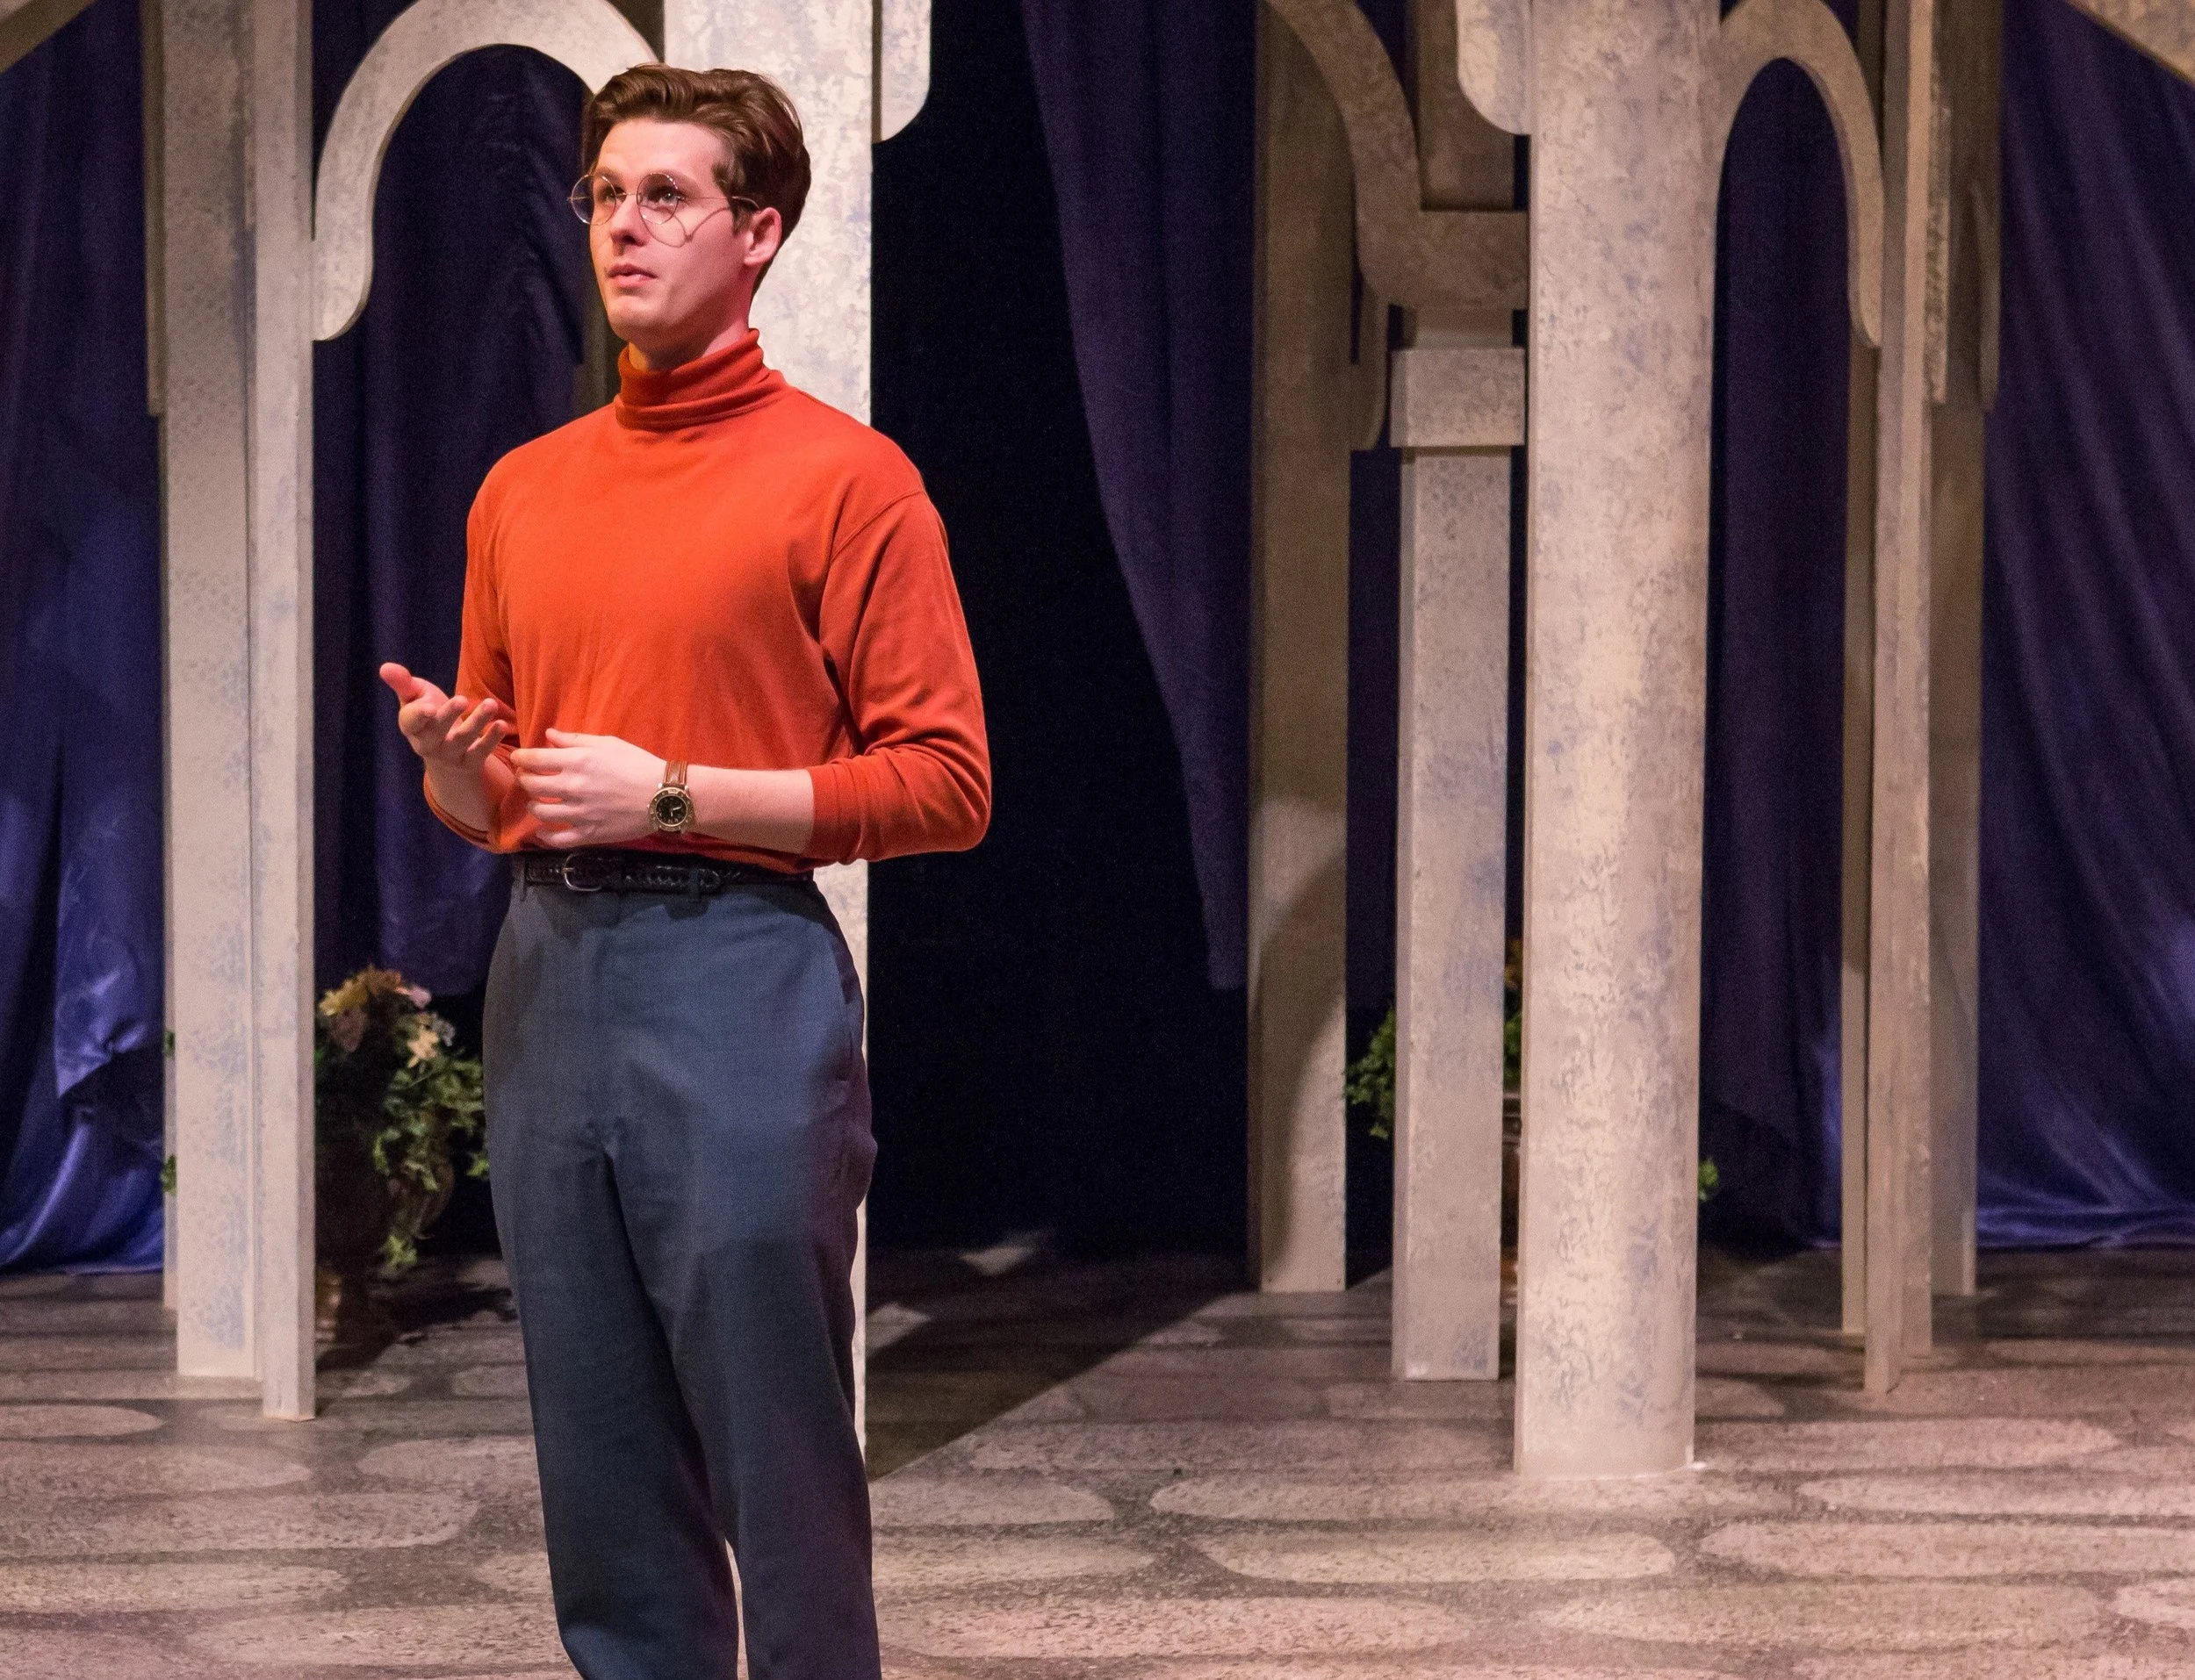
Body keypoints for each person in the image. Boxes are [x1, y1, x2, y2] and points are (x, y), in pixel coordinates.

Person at [378, 65, 990, 1680]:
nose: (624, 227)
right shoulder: (526, 488)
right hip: (550, 978)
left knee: (774, 1439)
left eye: (667, 196)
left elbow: (945, 784)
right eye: (602, 195)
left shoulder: (851, 482)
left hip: (738, 970)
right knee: (598, 1443)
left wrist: (675, 792)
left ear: (759, 230)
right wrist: (463, 780)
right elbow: (518, 787)